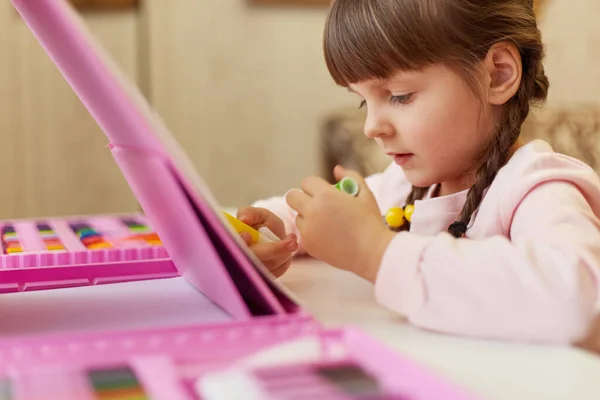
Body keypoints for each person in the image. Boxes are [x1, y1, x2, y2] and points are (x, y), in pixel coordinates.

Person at [237, 0, 600, 345]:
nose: (372, 127)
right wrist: (270, 232)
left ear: (497, 75)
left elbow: (576, 298)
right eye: (364, 100)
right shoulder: (406, 189)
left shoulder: (538, 187)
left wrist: (375, 252)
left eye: (399, 95)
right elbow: (328, 213)